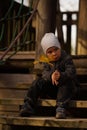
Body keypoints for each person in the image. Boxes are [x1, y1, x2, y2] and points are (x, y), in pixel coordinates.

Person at [20, 33, 78, 118]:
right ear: (46, 54)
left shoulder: (66, 58)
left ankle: (61, 108)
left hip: (67, 91)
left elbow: (71, 71)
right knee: (37, 82)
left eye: (56, 49)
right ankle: (28, 105)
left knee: (65, 83)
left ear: (60, 48)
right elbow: (45, 74)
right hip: (53, 89)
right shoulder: (47, 62)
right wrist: (51, 76)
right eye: (50, 52)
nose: (54, 53)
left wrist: (61, 75)